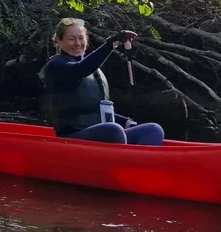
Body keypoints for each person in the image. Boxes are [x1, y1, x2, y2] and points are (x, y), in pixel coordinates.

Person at [41, 17, 163, 145]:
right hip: (72, 136)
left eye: (81, 38)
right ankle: (121, 163)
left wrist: (126, 122)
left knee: (153, 130)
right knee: (114, 130)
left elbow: (97, 111)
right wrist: (111, 43)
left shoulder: (93, 70)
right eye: (71, 39)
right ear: (57, 41)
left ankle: (138, 163)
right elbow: (80, 69)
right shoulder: (55, 65)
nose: (78, 43)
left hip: (101, 133)